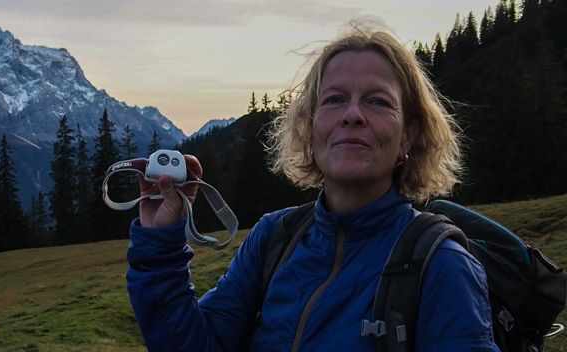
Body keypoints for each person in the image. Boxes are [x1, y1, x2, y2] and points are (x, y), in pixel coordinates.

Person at [126, 25, 500, 351]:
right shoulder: (273, 239)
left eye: (377, 101)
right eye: (334, 100)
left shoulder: (443, 265)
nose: (352, 114)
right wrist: (160, 244)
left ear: (409, 135)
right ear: (310, 128)